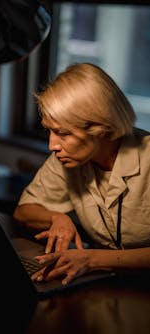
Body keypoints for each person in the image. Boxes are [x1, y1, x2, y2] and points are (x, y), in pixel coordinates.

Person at [13, 62, 150, 286]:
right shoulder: (68, 158)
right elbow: (23, 212)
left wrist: (93, 259)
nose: (52, 145)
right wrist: (56, 217)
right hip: (109, 286)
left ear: (101, 128)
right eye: (49, 130)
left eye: (62, 133)